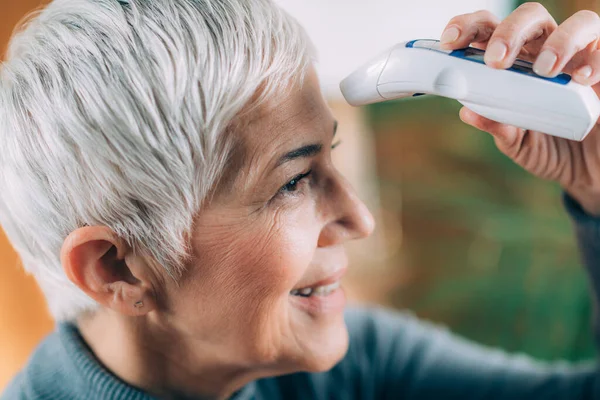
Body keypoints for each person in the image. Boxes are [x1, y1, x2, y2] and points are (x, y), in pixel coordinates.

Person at [1, 0, 600, 398]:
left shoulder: (353, 365)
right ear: (118, 267)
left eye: (329, 157)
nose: (359, 219)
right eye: (292, 182)